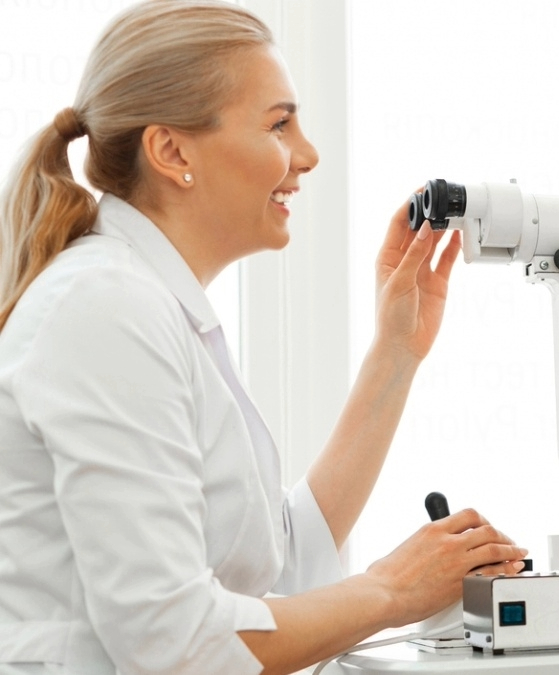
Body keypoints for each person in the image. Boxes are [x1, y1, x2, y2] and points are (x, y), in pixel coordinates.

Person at [0, 2, 527, 674]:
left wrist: (396, 352)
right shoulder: (105, 308)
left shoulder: (150, 303)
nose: (306, 154)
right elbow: (175, 638)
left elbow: (287, 562)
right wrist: (394, 588)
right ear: (171, 150)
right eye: (279, 123)